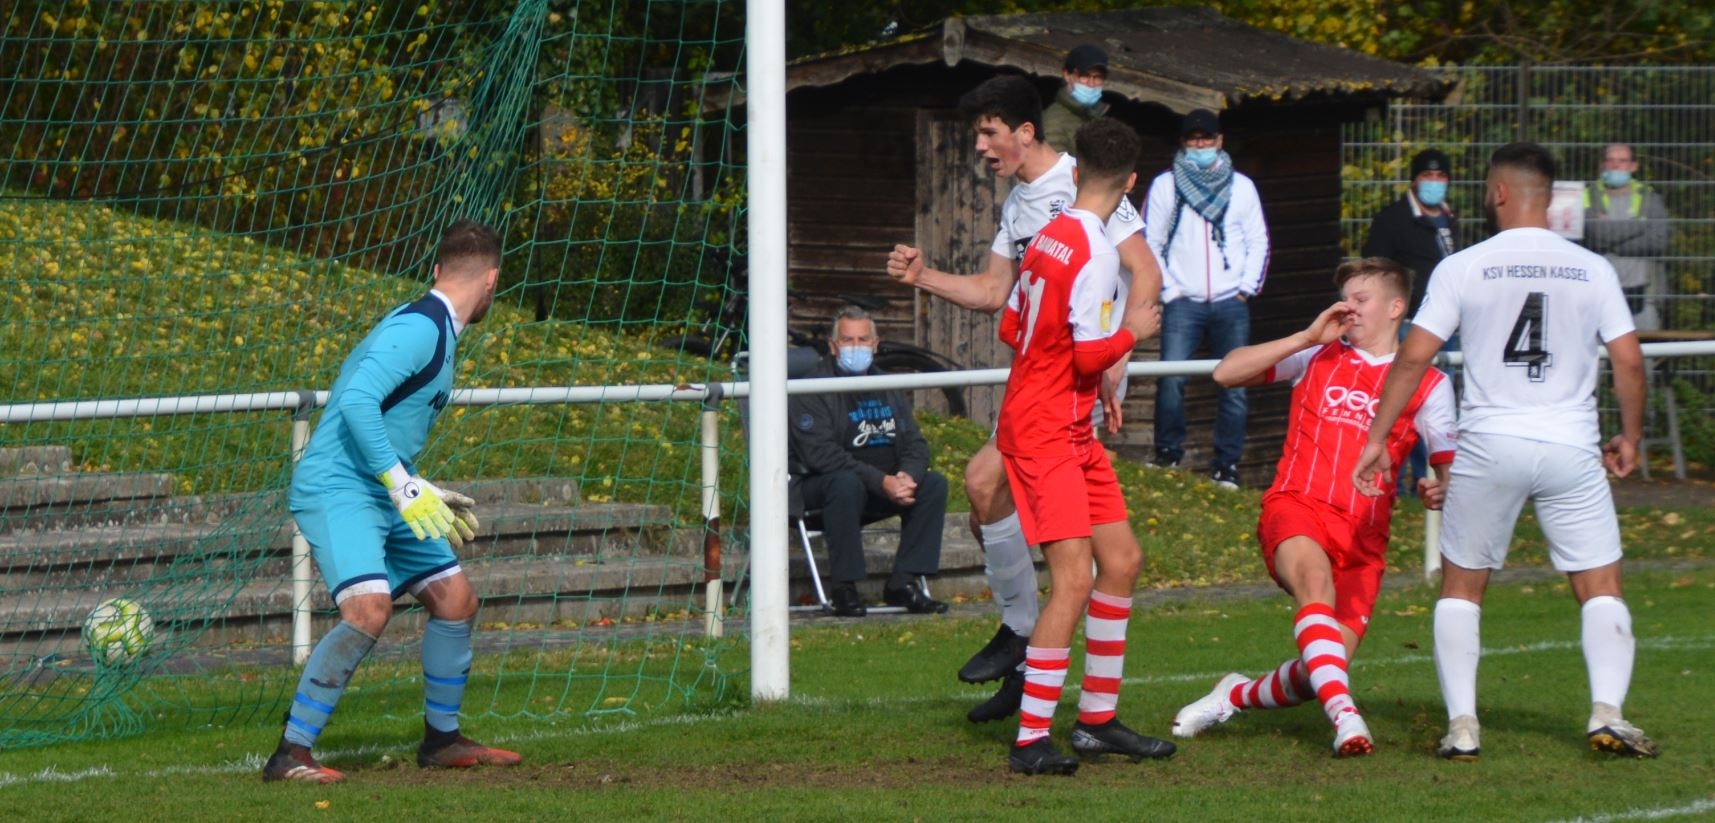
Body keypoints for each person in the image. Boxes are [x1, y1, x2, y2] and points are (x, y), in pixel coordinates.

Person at [1351, 142, 1658, 761]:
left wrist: (1378, 438)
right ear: (1549, 196)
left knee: (1462, 587)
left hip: (1489, 444)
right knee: (1600, 583)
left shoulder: (1464, 265)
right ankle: (1608, 713)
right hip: (1570, 443)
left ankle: (1463, 726)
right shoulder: (1591, 267)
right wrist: (1629, 435)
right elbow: (1628, 359)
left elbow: (1413, 357)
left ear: (1498, 193)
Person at [885, 74, 1163, 724]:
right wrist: (923, 275)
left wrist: (1116, 365)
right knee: (1001, 510)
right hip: (1039, 382)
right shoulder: (1018, 204)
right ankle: (1045, 667)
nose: (981, 147)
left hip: (1069, 387)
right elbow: (993, 293)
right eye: (977, 134)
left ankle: (1025, 646)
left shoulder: (1081, 185)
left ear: (1025, 131)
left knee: (994, 491)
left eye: (989, 133)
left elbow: (1145, 270)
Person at [264, 219, 518, 783]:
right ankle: (289, 754)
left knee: (456, 602)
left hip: (381, 487)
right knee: (368, 610)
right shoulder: (422, 328)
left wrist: (415, 486)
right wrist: (403, 484)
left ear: (437, 269)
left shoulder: (437, 327)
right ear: (492, 281)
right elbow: (357, 402)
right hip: (340, 486)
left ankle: (442, 742)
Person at [1170, 258, 1456, 757]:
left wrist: (1444, 490)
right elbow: (1225, 372)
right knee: (1315, 587)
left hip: (1364, 538)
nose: (1349, 308)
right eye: (1345, 298)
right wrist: (1305, 336)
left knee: (1319, 670)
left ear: (1396, 307)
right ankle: (1346, 718)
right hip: (1299, 506)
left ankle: (1233, 694)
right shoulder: (1317, 355)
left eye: (1361, 299)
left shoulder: (1429, 383)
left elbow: (1449, 467)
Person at [996, 117, 1175, 774]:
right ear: (1131, 184)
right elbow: (1086, 351)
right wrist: (1133, 332)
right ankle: (1029, 740)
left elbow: (1011, 327)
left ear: (1076, 171)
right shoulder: (1098, 253)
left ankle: (1097, 720)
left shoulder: (1048, 234)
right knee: (1073, 581)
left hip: (1068, 426)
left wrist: (1089, 384)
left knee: (1121, 560)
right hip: (1045, 432)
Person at [786, 307, 949, 617]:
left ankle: (903, 583)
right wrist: (881, 481)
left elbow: (915, 443)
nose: (855, 347)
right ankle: (844, 588)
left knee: (933, 485)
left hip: (882, 486)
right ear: (833, 346)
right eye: (847, 340)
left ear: (875, 345)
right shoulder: (811, 387)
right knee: (845, 483)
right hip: (822, 487)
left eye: (863, 340)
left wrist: (907, 476)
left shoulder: (887, 385)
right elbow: (820, 455)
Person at [1145, 108, 1270, 489]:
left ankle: (1226, 466)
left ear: (1219, 141)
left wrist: (1246, 289)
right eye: (1193, 139)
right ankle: (1168, 453)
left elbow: (1258, 240)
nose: (1200, 145)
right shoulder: (1166, 185)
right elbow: (1151, 241)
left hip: (1232, 300)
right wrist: (1170, 291)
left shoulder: (1242, 187)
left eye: (1206, 138)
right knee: (1171, 379)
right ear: (1183, 143)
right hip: (1183, 300)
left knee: (1235, 385)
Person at [1362, 148, 1459, 495]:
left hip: (1446, 327)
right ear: (1415, 180)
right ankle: (1392, 479)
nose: (1434, 182)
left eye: (1440, 176)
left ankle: (1428, 479)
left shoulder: (1449, 220)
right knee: (1402, 403)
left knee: (1436, 406)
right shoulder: (1392, 220)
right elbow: (1374, 270)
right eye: (1427, 176)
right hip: (1409, 324)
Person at [1582, 142, 1671, 331]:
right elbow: (1594, 234)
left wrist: (1611, 244)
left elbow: (1657, 242)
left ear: (1633, 166)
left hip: (1643, 295)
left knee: (1644, 348)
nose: (1616, 165)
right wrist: (1640, 225)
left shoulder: (1649, 197)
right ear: (1602, 165)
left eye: (1622, 161)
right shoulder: (1587, 195)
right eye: (1611, 160)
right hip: (1596, 293)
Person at [1042, 44, 1110, 157]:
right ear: (1067, 75)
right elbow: (1055, 165)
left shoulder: (1095, 118)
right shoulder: (1053, 121)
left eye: (1098, 77)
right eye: (1084, 76)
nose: (1091, 83)